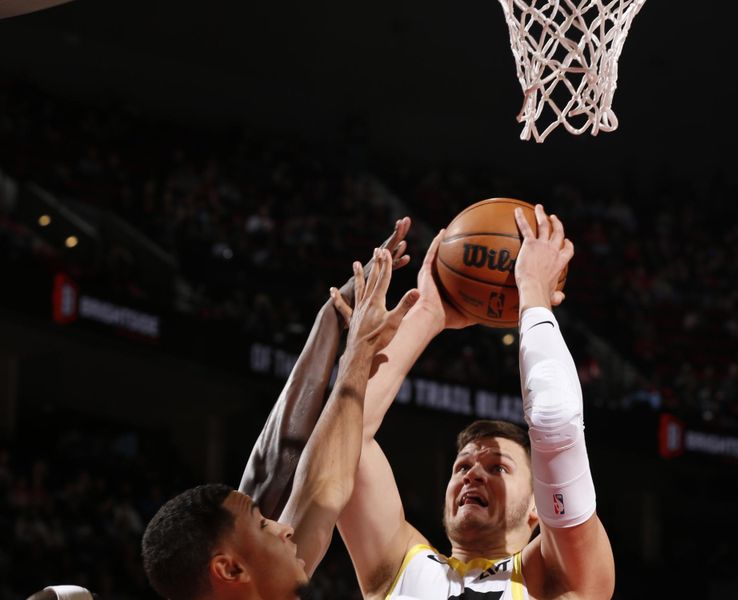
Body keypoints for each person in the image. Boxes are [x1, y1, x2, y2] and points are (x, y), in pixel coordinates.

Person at [333, 204, 615, 599]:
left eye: (498, 468)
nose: (472, 474)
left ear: (538, 506)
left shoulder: (557, 578)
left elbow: (556, 421)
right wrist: (429, 313)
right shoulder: (398, 568)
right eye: (462, 465)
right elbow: (342, 435)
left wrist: (532, 289)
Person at [140, 223, 420, 600]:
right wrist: (354, 347)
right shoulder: (265, 571)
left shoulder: (261, 573)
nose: (284, 527)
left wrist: (337, 325)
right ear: (229, 568)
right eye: (263, 526)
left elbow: (290, 468)